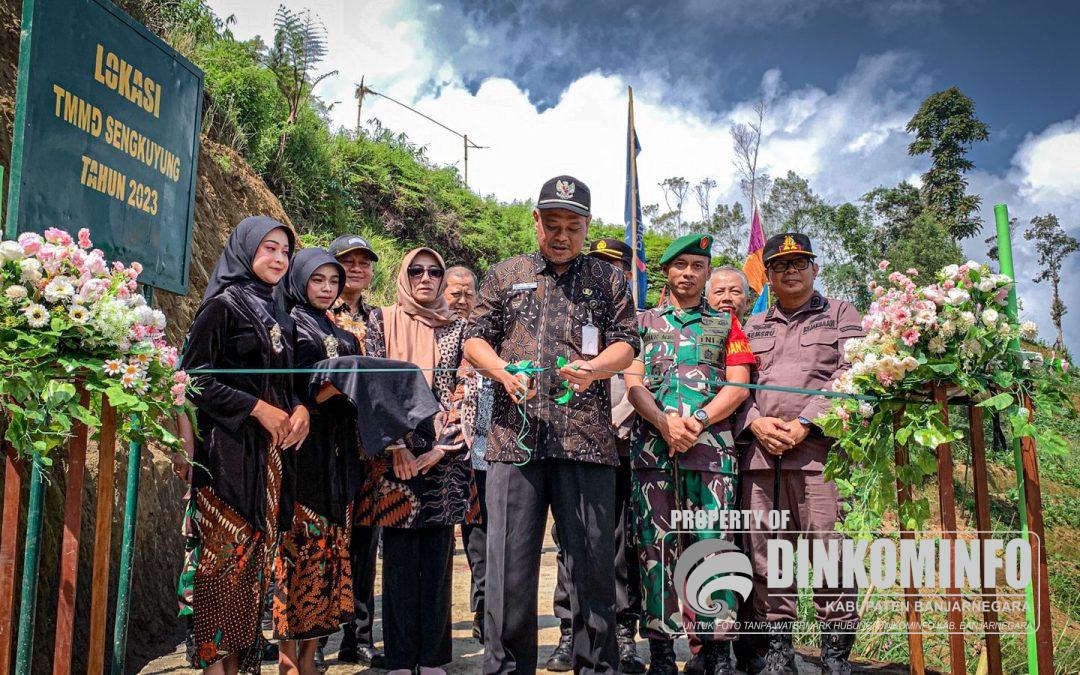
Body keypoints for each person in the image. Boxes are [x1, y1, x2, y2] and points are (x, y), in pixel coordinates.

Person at [464, 175, 640, 675]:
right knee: (508, 567)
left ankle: (596, 666)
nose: (562, 235)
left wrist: (596, 368)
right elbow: (476, 337)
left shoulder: (609, 281)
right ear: (536, 221)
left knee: (590, 566)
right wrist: (499, 371)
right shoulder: (505, 274)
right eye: (553, 224)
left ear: (587, 227)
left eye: (573, 226)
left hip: (585, 441)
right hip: (511, 440)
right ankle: (505, 668)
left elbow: (628, 342)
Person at [179, 216, 309, 673]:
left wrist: (299, 409)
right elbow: (194, 380)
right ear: (245, 249)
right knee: (223, 571)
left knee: (254, 571)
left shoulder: (277, 310)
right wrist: (256, 408)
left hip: (269, 465)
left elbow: (286, 381)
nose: (278, 258)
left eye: (284, 251)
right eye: (268, 248)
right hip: (227, 461)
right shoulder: (222, 306)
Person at [624, 234, 755, 675]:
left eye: (697, 266)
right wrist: (664, 423)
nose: (688, 274)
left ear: (706, 272)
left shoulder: (726, 325)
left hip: (712, 457)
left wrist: (696, 420)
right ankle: (661, 650)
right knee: (654, 550)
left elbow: (738, 385)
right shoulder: (643, 322)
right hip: (654, 458)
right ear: (667, 271)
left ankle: (716, 653)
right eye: (680, 266)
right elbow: (634, 383)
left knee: (713, 550)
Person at [736, 233, 864, 675]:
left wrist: (806, 421)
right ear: (767, 275)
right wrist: (753, 421)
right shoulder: (750, 327)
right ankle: (777, 650)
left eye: (799, 262)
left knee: (830, 550)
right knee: (765, 553)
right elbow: (733, 381)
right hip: (760, 457)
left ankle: (835, 653)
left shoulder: (840, 314)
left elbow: (856, 373)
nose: (791, 270)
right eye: (781, 265)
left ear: (815, 268)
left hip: (821, 456)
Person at [358, 247, 477, 675]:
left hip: (443, 457)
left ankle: (432, 656)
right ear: (403, 275)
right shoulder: (381, 320)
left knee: (437, 556)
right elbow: (372, 387)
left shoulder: (461, 326)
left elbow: (467, 390)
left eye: (433, 271)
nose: (425, 278)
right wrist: (399, 448)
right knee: (399, 560)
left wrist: (438, 448)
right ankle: (400, 655)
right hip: (395, 457)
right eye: (416, 270)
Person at [546, 238, 645, 674]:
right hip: (570, 448)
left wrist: (615, 424)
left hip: (622, 445)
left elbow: (640, 384)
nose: (611, 272)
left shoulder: (639, 321)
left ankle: (620, 632)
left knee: (617, 544)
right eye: (602, 264)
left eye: (619, 266)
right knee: (570, 541)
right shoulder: (565, 309)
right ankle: (570, 631)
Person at [270, 248, 360, 674]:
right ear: (300, 279)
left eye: (333, 281)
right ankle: (290, 662)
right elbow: (282, 385)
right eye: (317, 280)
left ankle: (310, 659)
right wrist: (322, 393)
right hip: (300, 457)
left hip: (337, 456)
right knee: (298, 556)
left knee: (327, 558)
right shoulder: (285, 323)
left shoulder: (338, 329)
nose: (326, 289)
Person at [326, 233, 384, 667]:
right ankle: (312, 635)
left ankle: (358, 636)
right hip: (327, 442)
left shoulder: (379, 319)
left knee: (365, 543)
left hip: (371, 448)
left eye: (365, 262)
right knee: (324, 539)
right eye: (349, 261)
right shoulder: (315, 315)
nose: (358, 269)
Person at [447, 265, 491, 641]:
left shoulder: (487, 333)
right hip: (451, 454)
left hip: (491, 452)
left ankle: (486, 613)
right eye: (454, 292)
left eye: (467, 293)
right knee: (472, 537)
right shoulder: (439, 335)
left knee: (487, 537)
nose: (461, 300)